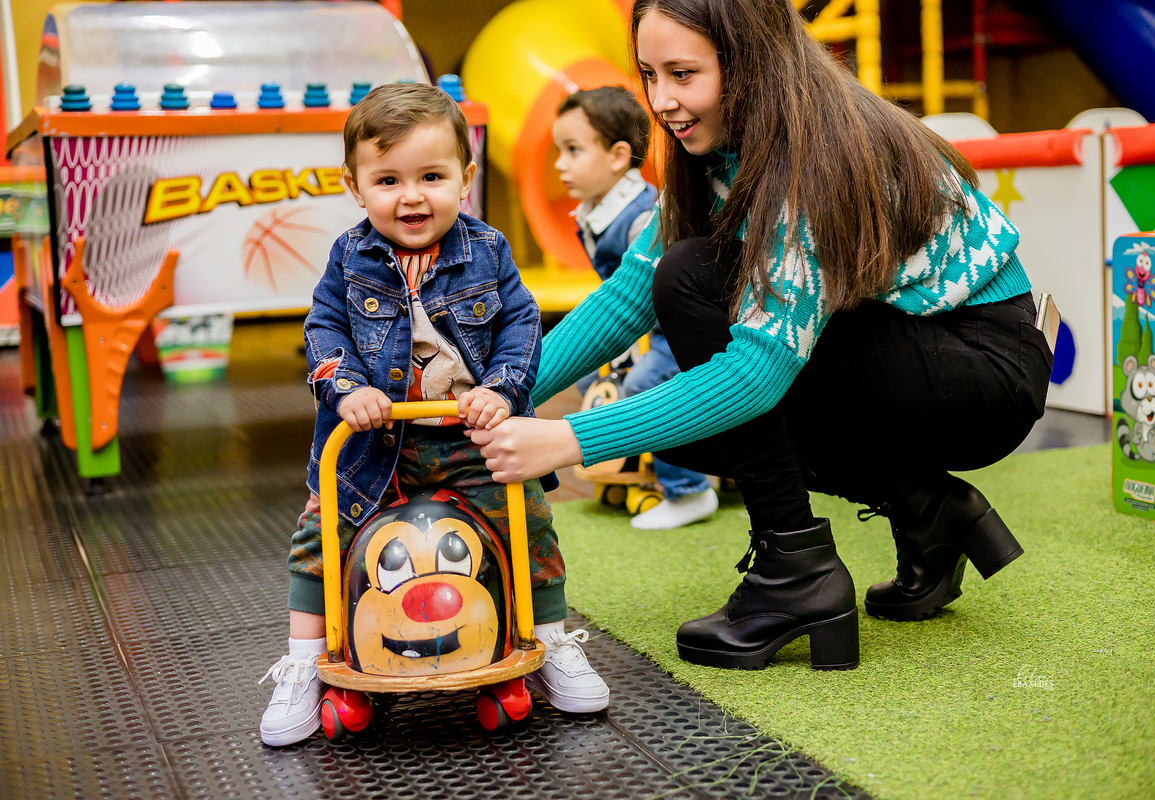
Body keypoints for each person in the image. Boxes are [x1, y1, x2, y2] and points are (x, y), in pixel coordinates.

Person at [468, 0, 1052, 672]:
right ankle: (925, 507)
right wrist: (504, 388)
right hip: (899, 345)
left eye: (683, 74)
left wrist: (564, 440)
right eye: (650, 75)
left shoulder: (811, 154)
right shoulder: (719, 144)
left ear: (748, 64)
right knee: (686, 281)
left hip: (980, 368)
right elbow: (630, 293)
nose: (662, 101)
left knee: (703, 333)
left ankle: (796, 570)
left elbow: (754, 375)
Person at [258, 83, 609, 747]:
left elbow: (522, 325)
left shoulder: (488, 251)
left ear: (465, 179)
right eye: (387, 180)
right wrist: (348, 389)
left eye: (431, 176)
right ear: (356, 186)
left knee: (527, 520)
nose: (411, 196)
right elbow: (323, 330)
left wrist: (502, 391)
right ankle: (304, 661)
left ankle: (556, 641)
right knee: (318, 533)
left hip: (468, 435)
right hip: (374, 441)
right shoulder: (349, 256)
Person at [552, 86, 718, 529]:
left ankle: (688, 490)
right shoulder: (596, 210)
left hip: (673, 328)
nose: (559, 164)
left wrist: (637, 355)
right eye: (558, 150)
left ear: (617, 155)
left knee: (645, 382)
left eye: (572, 150)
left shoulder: (641, 217)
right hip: (640, 328)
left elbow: (654, 297)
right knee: (589, 374)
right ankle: (625, 467)